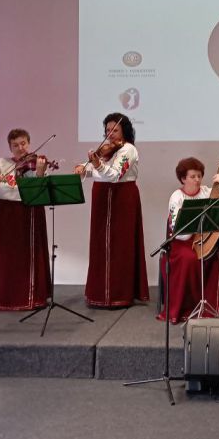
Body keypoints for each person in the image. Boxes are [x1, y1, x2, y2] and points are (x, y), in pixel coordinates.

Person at [74, 113, 149, 308]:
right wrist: (83, 168)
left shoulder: (129, 149)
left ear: (124, 130)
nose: (110, 133)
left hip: (122, 197)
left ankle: (120, 294)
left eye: (115, 129)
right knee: (100, 244)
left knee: (121, 245)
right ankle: (99, 293)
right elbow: (96, 170)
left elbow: (115, 175)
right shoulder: (105, 149)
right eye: (107, 130)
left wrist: (96, 164)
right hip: (101, 196)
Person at [0, 129, 52, 311]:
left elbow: (41, 187)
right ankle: (7, 298)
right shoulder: (2, 163)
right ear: (10, 147)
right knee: (7, 255)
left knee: (30, 254)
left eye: (23, 143)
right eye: (15, 145)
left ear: (29, 143)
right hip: (7, 212)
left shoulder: (36, 163)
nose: (20, 148)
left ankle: (33, 297)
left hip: (30, 210)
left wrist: (40, 173)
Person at [157, 157, 219, 323]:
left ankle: (210, 307)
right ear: (183, 179)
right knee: (189, 258)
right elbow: (178, 232)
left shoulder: (207, 192)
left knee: (212, 256)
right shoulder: (177, 197)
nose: (197, 180)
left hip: (202, 240)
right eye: (192, 176)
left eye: (199, 176)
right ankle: (187, 308)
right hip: (180, 243)